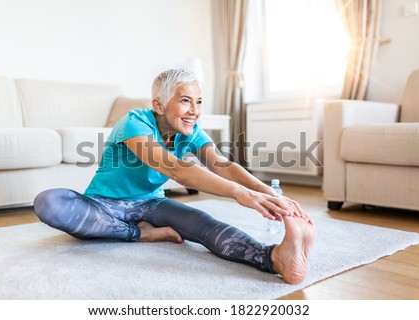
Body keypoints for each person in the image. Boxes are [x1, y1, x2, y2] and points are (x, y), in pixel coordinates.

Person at [34, 69, 316, 285]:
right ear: (159, 105)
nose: (194, 110)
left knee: (202, 223)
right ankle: (140, 234)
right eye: (185, 101)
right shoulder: (135, 122)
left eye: (198, 102)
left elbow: (222, 165)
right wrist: (239, 194)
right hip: (104, 204)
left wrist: (264, 190)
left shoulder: (191, 130)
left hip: (152, 204)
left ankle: (275, 258)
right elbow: (175, 169)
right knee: (50, 202)